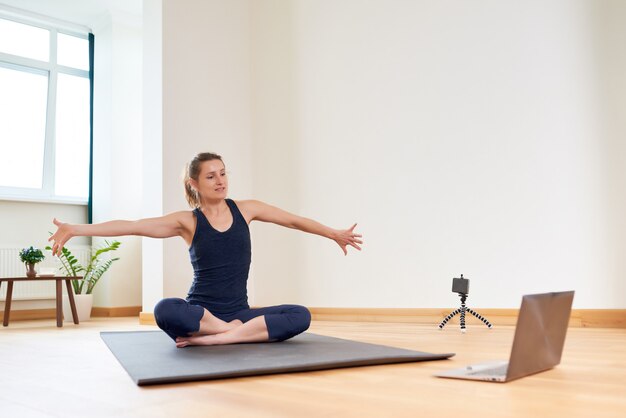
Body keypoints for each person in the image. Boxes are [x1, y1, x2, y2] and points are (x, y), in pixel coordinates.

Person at [49, 152, 363, 347]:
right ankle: (229, 333)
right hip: (203, 313)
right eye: (211, 176)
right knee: (165, 310)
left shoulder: (247, 209)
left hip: (240, 311)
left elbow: (293, 221)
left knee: (300, 315)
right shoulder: (187, 221)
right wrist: (76, 228)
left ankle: (218, 339)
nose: (220, 180)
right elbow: (133, 225)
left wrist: (332, 233)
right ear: (194, 184)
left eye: (223, 173)